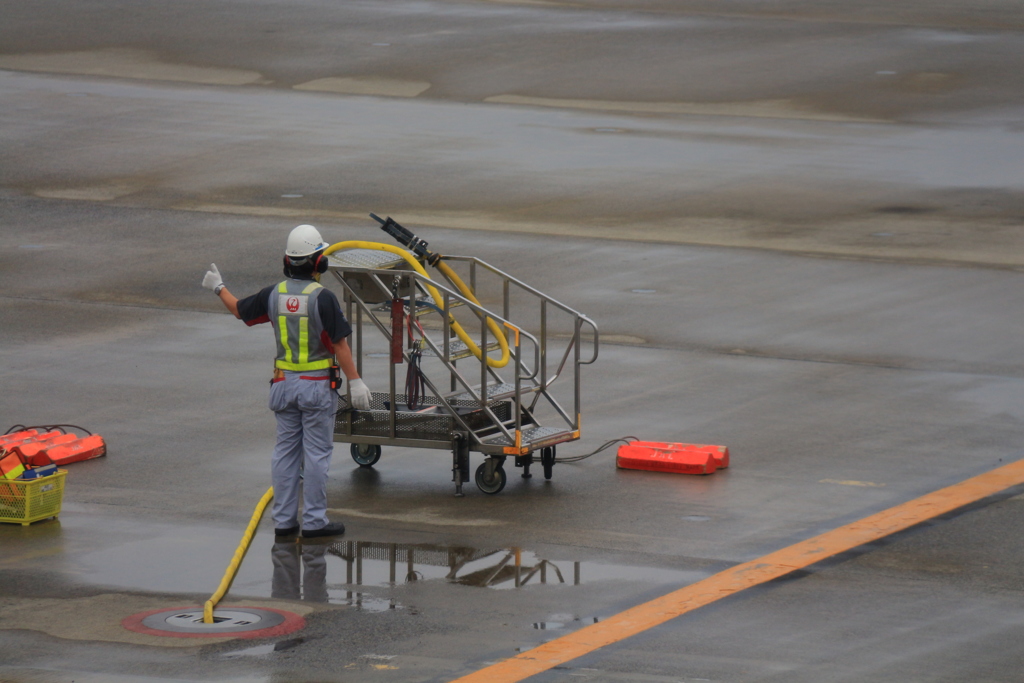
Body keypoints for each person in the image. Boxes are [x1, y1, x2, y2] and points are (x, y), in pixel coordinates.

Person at [202, 224, 372, 539]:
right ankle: (315, 522)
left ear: (288, 260)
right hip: (316, 387)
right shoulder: (323, 298)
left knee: (285, 452)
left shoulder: (273, 294)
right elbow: (339, 345)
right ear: (318, 262)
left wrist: (218, 287)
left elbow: (240, 311)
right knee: (317, 454)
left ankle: (283, 522)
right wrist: (356, 381)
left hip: (283, 387)